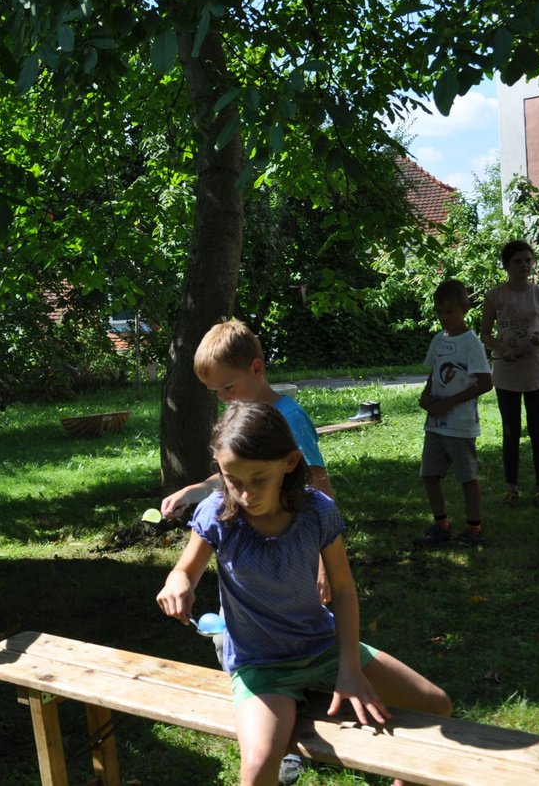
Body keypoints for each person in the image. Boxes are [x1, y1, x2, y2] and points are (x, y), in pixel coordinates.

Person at [156, 402, 451, 786]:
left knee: (435, 704)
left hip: (323, 647)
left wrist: (349, 667)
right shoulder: (216, 513)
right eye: (233, 479)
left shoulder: (316, 511)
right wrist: (177, 583)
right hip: (261, 665)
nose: (245, 494)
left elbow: (343, 590)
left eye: (259, 479)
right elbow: (185, 571)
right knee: (258, 765)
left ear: (290, 462)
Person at [157, 319, 332, 785]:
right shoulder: (246, 418)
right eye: (215, 392)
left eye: (228, 387)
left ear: (256, 368)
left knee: (293, 640)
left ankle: (290, 735)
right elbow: (238, 477)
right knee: (250, 641)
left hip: (291, 554)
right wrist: (197, 490)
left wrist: (322, 561)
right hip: (250, 561)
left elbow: (318, 484)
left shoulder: (288, 417)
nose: (223, 399)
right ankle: (269, 726)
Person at [481, 239, 539, 510]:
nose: (524, 265)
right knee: (510, 431)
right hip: (506, 372)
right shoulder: (494, 296)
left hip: (535, 371)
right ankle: (511, 489)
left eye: (528, 260)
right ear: (506, 265)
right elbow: (485, 334)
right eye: (518, 261)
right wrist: (502, 347)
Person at [414, 279, 494, 547]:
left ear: (464, 308)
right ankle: (441, 524)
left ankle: (474, 528)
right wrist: (426, 395)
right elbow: (434, 373)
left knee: (467, 477)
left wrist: (450, 402)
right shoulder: (439, 340)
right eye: (439, 312)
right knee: (429, 473)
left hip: (460, 424)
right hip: (436, 422)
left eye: (450, 311)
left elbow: (485, 383)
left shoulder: (472, 343)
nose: (444, 317)